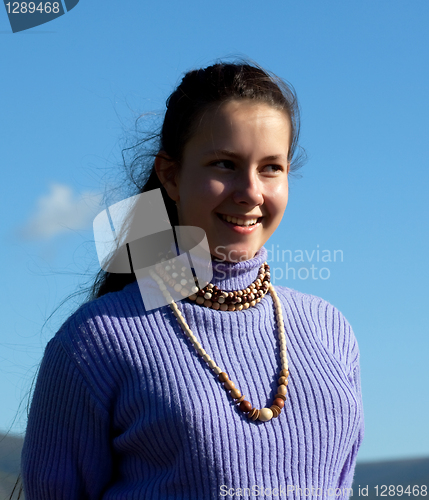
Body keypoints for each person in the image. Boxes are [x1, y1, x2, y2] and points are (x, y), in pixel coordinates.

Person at [20, 61, 364, 499]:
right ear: (171, 176)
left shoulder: (330, 331)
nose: (251, 191)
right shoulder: (94, 343)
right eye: (225, 164)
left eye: (271, 167)